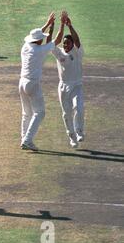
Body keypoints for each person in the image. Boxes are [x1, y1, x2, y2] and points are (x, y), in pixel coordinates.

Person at [19, 12, 56, 151]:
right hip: (32, 84)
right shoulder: (39, 50)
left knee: (26, 113)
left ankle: (24, 139)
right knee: (40, 113)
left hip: (22, 83)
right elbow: (53, 42)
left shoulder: (26, 47)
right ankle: (27, 140)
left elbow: (41, 38)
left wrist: (47, 24)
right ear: (39, 40)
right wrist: (55, 29)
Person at [52, 11, 85, 148]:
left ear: (72, 44)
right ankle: (71, 137)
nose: (65, 45)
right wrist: (61, 24)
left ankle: (79, 131)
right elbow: (56, 41)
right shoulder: (59, 52)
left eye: (68, 43)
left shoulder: (77, 52)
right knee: (66, 114)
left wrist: (70, 26)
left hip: (76, 85)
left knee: (79, 107)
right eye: (64, 43)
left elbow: (77, 40)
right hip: (63, 87)